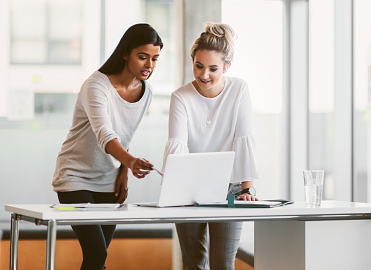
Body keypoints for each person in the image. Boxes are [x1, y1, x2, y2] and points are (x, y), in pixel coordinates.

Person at [52, 23, 163, 270]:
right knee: (96, 254)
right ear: (125, 53)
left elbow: (126, 134)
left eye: (155, 58)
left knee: (97, 258)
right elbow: (105, 134)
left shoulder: (147, 92)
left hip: (108, 180)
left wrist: (124, 171)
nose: (149, 65)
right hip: (74, 177)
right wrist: (131, 161)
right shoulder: (96, 85)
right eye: (143, 57)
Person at [163, 22, 259, 270]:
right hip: (189, 189)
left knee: (223, 265)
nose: (204, 75)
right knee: (194, 264)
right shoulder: (181, 97)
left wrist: (247, 189)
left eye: (213, 68)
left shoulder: (239, 89)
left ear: (227, 66)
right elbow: (178, 144)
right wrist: (175, 191)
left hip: (229, 190)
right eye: (198, 66)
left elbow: (243, 136)